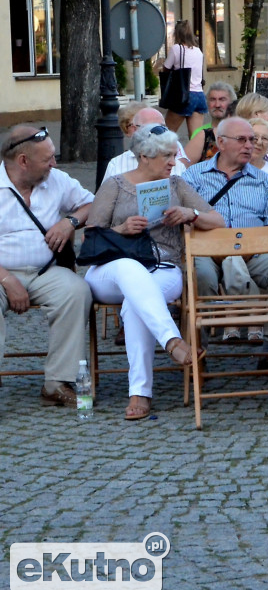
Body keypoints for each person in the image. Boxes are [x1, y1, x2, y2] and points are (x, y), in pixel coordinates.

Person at [85, 124, 224, 419]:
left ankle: (140, 393)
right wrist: (121, 229)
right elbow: (91, 234)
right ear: (144, 156)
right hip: (110, 270)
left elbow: (218, 220)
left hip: (163, 267)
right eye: (167, 156)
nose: (174, 162)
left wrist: (191, 214)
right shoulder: (115, 184)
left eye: (174, 156)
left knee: (135, 306)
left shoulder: (176, 185)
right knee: (128, 268)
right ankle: (173, 341)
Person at [0, 125, 93, 408]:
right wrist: (6, 280)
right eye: (47, 159)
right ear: (23, 161)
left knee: (77, 291)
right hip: (1, 274)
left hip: (45, 271)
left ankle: (57, 383)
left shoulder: (57, 179)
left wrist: (71, 221)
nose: (54, 163)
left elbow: (93, 203)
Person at [182, 117, 268, 355]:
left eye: (252, 139)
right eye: (242, 140)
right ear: (221, 143)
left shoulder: (263, 180)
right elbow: (184, 222)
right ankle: (199, 352)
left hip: (254, 251)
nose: (250, 145)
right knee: (200, 276)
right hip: (206, 252)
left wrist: (252, 248)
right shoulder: (193, 177)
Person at [103, 108, 190, 182]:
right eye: (153, 130)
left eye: (163, 128)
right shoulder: (117, 164)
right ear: (135, 130)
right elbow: (105, 200)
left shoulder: (177, 165)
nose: (161, 135)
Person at [161, 20, 207, 138]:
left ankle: (168, 156)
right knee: (196, 138)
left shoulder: (177, 49)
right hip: (200, 96)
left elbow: (166, 67)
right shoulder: (198, 51)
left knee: (166, 135)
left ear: (177, 34)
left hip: (183, 95)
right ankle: (199, 156)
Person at [184, 81, 235, 165]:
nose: (217, 105)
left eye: (222, 99)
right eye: (212, 99)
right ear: (207, 103)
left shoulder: (240, 131)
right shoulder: (200, 133)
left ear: (231, 103)